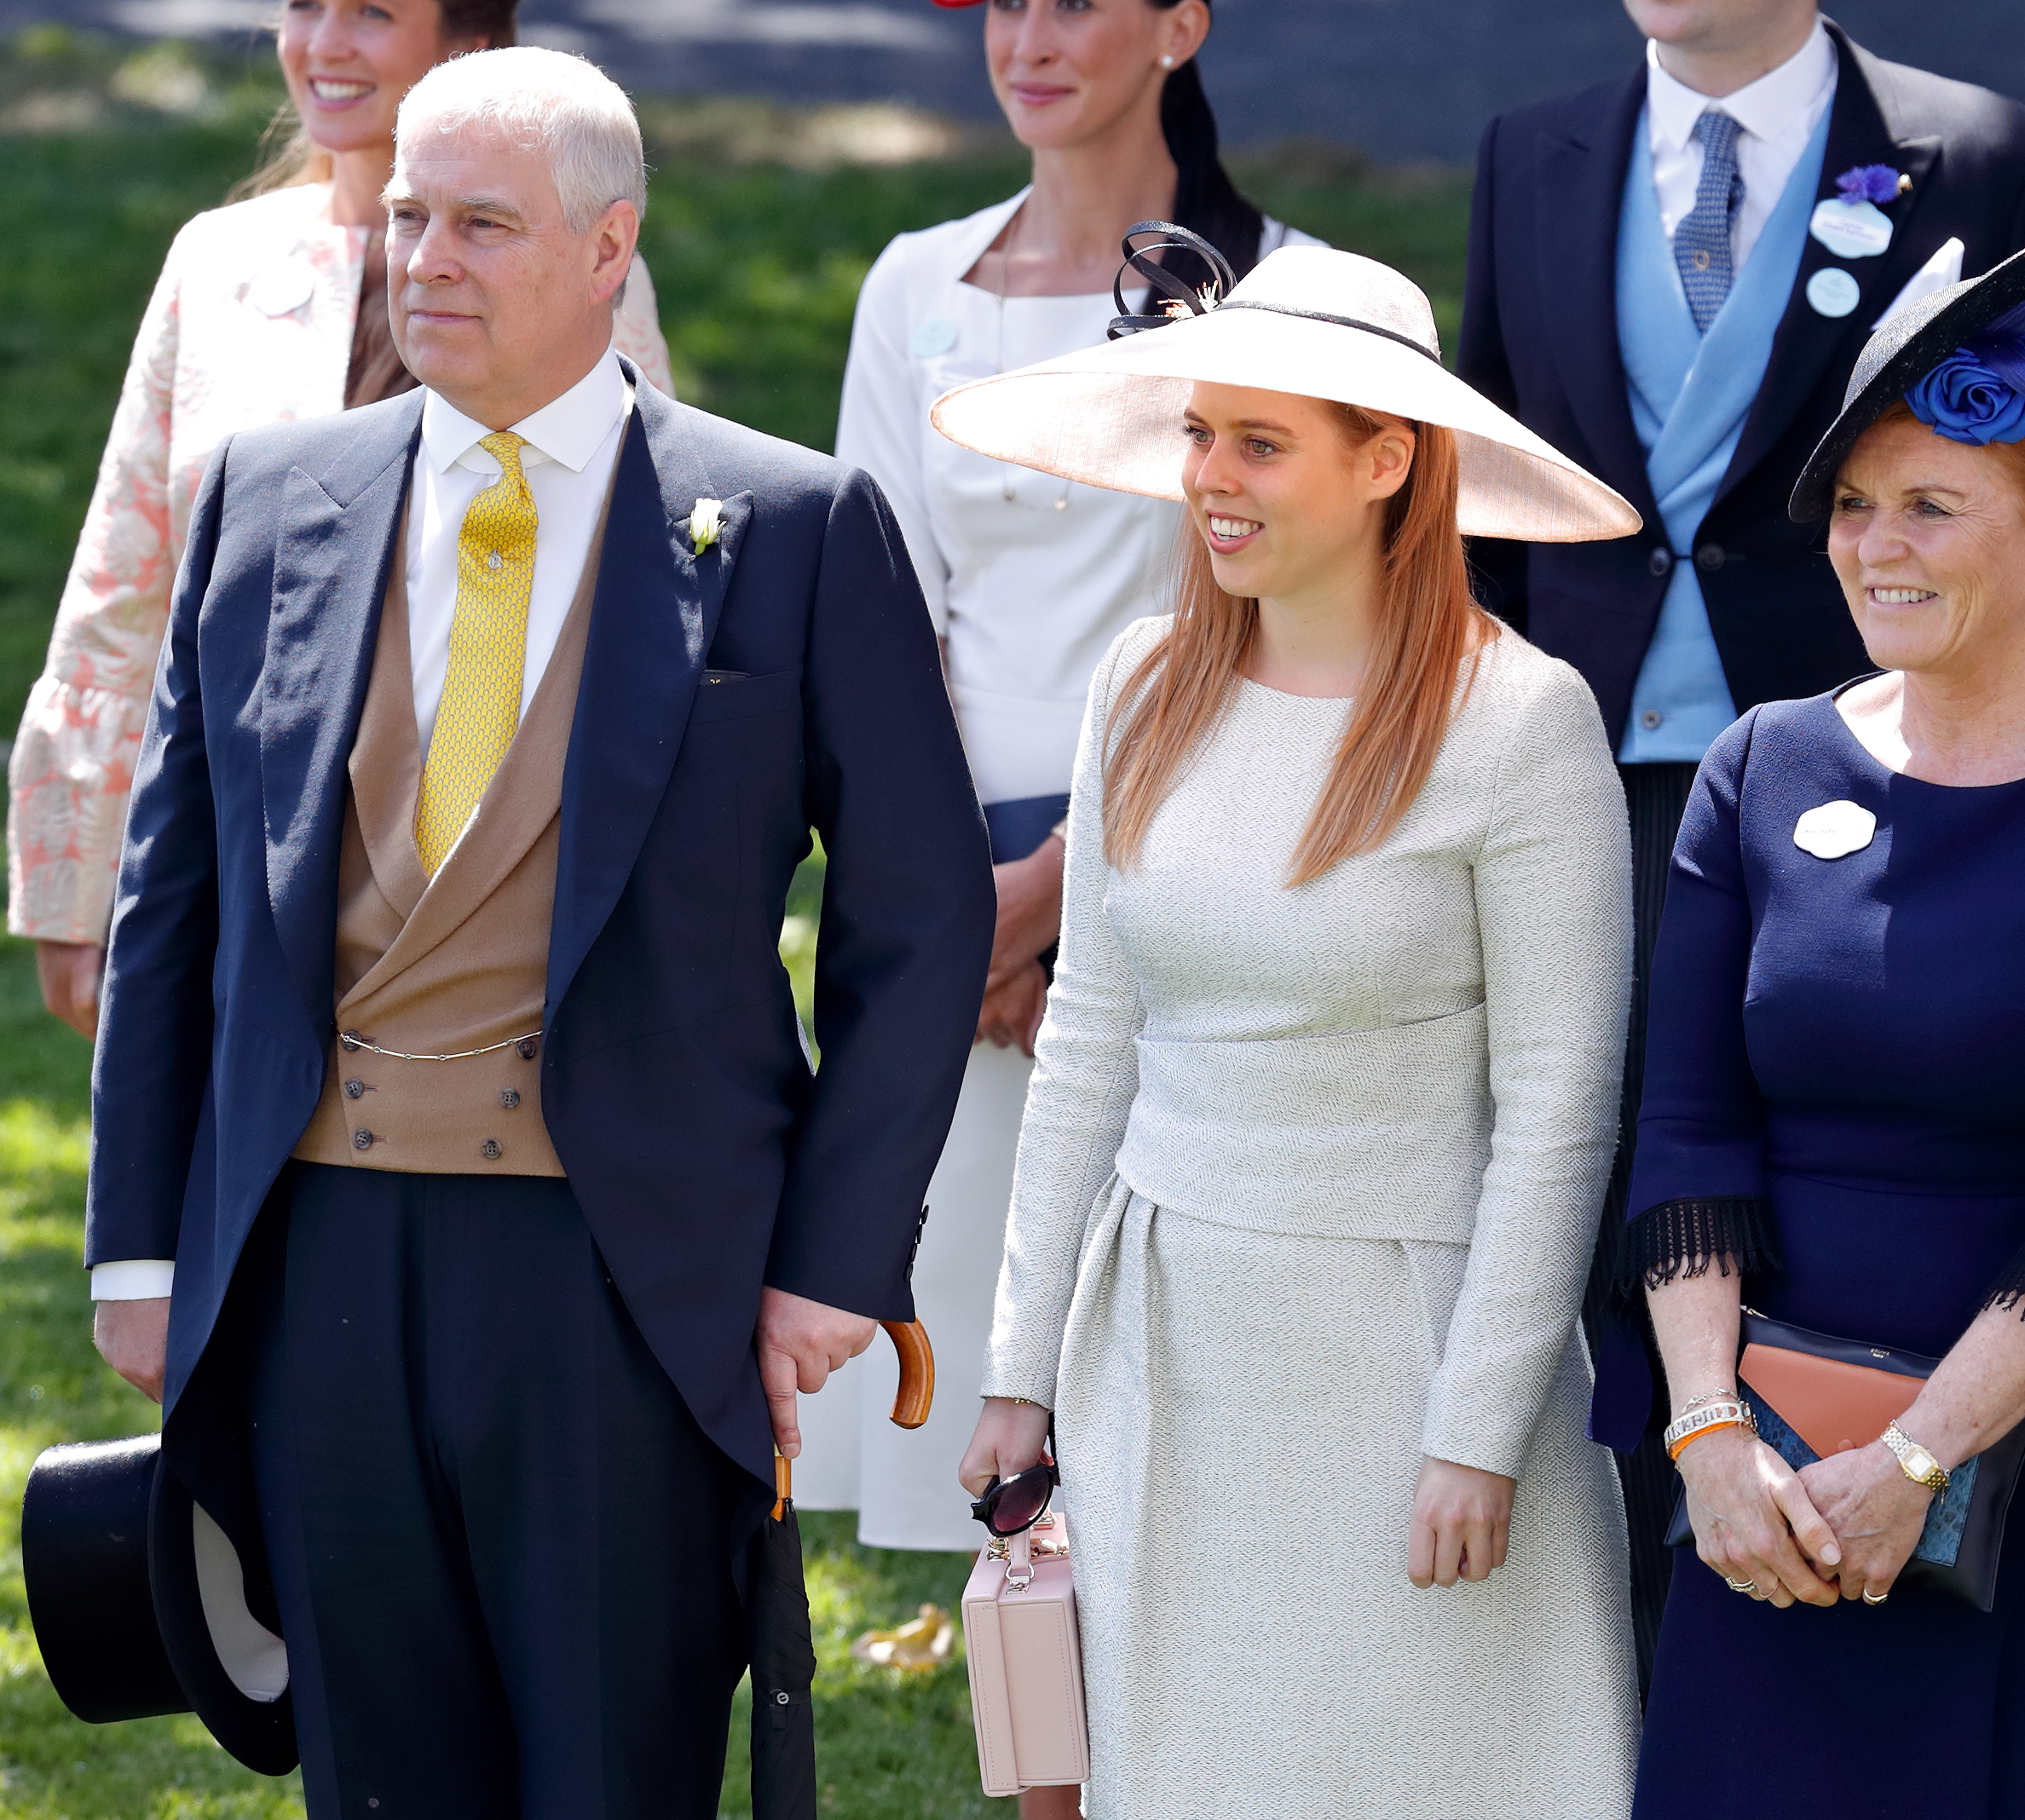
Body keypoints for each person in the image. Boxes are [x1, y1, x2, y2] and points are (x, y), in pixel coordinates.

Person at [84, 48, 991, 1815]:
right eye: (408, 215)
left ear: (606, 249)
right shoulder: (270, 505)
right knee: (376, 1771)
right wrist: (138, 1245)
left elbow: (919, 913)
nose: (425, 257)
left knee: (607, 1772)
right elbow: (169, 895)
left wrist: (827, 1265)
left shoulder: (790, 524)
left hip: (622, 1273)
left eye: (482, 224)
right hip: (316, 1252)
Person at [1455, 0, 2025, 1686]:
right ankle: (1627, 1675)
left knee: (1822, 1215)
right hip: (1580, 796)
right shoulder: (1523, 154)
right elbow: (1483, 515)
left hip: (1883, 797)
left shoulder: (1982, 158)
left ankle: (1860, 1618)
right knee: (1605, 1207)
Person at [935, 239, 1645, 1817]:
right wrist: (1020, 1367)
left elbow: (1558, 1113)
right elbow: (1089, 1048)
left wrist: (1476, 1429)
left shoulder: (1522, 722)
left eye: (1260, 442)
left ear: (1387, 461)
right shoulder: (1142, 684)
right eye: (1198, 435)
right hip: (1164, 1345)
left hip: (1412, 1362)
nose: (1210, 478)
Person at [1599, 199, 2025, 1817]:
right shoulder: (1761, 765)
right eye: (1854, 503)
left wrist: (1918, 1462)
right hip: (1769, 1483)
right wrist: (1711, 1439)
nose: (1872, 546)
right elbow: (1685, 1133)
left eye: (1930, 507)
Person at [801, 0, 1313, 1566]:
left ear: (1178, 25)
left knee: (1178, 1435)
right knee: (996, 1454)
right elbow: (879, 630)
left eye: (1074, 0)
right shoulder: (915, 284)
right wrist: (958, 918)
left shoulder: (1279, 292)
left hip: (1196, 885)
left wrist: (1062, 899)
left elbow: (1273, 630)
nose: (1028, 36)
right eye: (1002, 3)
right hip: (953, 903)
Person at [8, 0, 672, 1041]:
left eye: (370, 12)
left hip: (470, 869)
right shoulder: (215, 260)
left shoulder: (574, 273)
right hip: (230, 839)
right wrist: (78, 881)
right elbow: (129, 578)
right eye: (304, 7)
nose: (323, 44)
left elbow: (640, 571)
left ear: (470, 47)